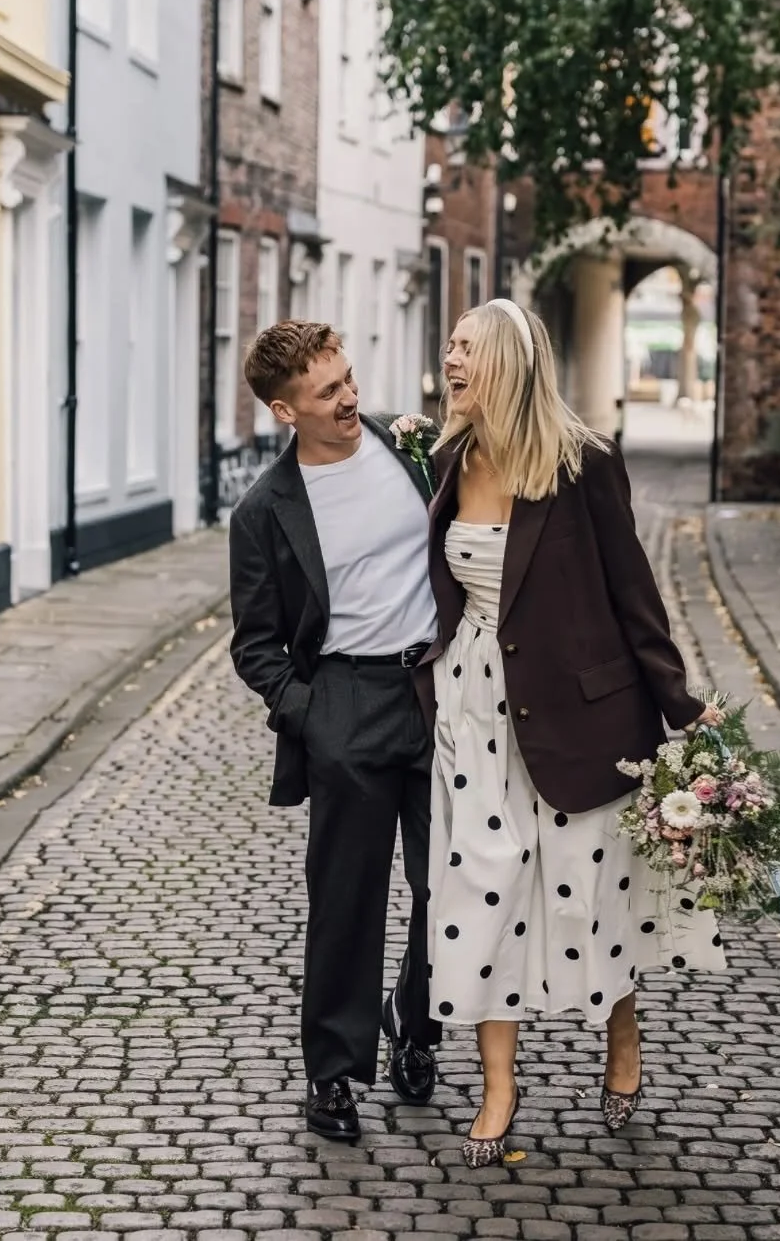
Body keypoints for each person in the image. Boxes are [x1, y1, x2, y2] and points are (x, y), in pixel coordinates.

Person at [423, 298, 727, 1168]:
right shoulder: (450, 456)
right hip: (474, 711)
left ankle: (621, 1037)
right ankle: (498, 1085)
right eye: (448, 346)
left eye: (465, 349)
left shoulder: (584, 464)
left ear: (509, 364)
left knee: (590, 898)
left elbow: (635, 592)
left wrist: (677, 704)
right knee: (483, 887)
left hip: (581, 716)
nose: (450, 360)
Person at [229, 320, 441, 1142]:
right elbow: (256, 645)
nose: (351, 398)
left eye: (349, 379)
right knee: (346, 902)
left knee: (448, 885)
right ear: (287, 411)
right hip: (346, 702)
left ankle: (416, 1025)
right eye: (328, 392)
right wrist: (314, 717)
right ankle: (332, 1076)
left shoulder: (407, 446)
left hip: (434, 691)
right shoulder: (265, 511)